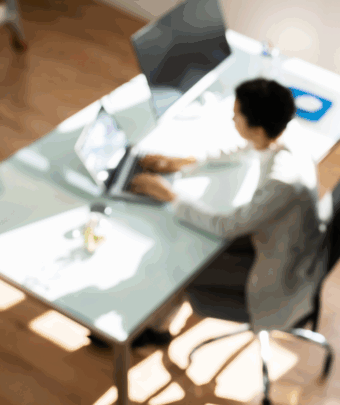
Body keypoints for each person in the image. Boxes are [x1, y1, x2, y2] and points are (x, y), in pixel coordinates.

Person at [88, 78, 322, 349]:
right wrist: (182, 163)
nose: (232, 118)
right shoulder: (282, 132)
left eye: (236, 115)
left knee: (177, 262)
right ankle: (156, 324)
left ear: (256, 128)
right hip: (283, 240)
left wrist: (169, 195)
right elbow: (245, 149)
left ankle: (143, 330)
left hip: (280, 274)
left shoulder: (281, 182)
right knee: (183, 242)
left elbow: (226, 225)